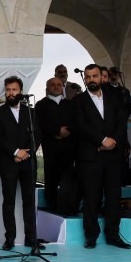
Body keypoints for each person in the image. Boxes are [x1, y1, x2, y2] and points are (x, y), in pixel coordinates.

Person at [73, 64, 130, 249]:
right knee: (91, 197)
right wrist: (102, 140)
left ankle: (113, 235)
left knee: (114, 196)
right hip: (90, 156)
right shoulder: (78, 101)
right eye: (88, 77)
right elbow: (80, 125)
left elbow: (122, 122)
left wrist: (113, 140)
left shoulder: (114, 98)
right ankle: (91, 236)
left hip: (113, 155)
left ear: (101, 77)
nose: (91, 80)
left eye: (94, 76)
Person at [0, 76, 40, 250]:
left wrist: (27, 153)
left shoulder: (31, 112)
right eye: (8, 90)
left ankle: (31, 238)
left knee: (29, 201)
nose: (11, 93)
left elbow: (37, 136)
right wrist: (15, 152)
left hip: (28, 163)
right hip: (8, 163)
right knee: (9, 201)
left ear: (21, 92)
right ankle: (9, 239)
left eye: (14, 90)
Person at [34, 77, 78, 214]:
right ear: (47, 88)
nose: (56, 86)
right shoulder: (41, 105)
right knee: (51, 178)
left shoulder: (70, 104)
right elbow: (40, 124)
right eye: (52, 85)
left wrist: (67, 132)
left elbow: (76, 121)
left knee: (70, 178)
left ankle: (69, 207)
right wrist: (57, 131)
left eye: (59, 84)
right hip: (51, 147)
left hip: (69, 147)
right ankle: (52, 207)